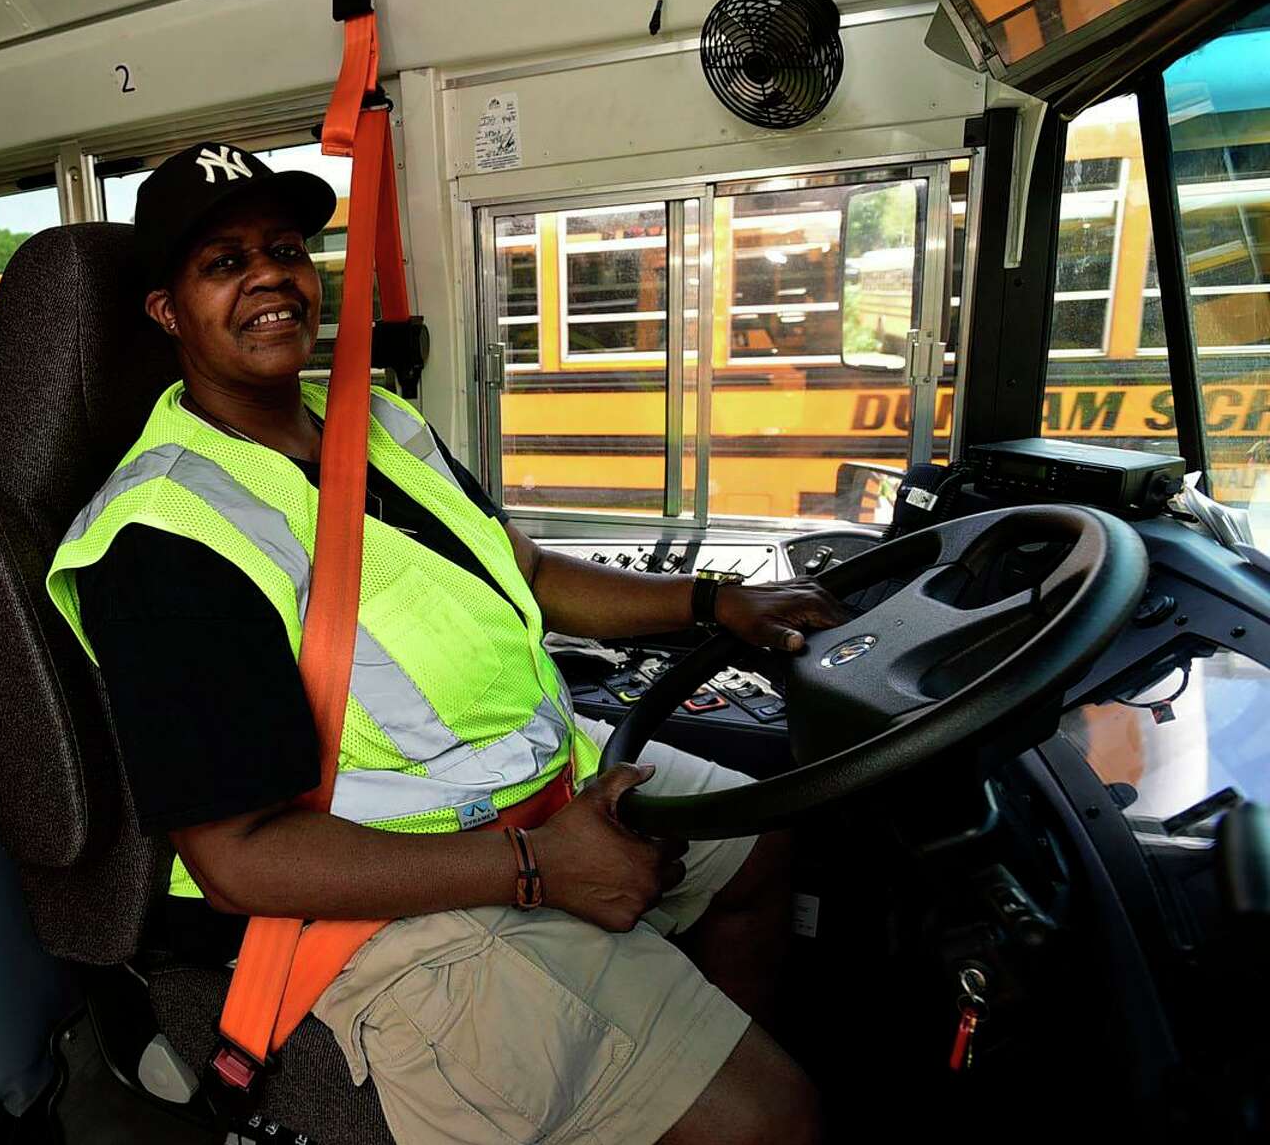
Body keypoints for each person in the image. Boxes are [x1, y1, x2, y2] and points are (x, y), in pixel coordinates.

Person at [45, 142, 847, 1144]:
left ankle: (675, 1081)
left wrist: (712, 604)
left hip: (548, 790)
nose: (269, 278)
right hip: (393, 894)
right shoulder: (164, 534)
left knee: (762, 840)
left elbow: (534, 576)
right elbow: (240, 862)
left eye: (284, 248)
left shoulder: (375, 420)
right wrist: (535, 868)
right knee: (777, 1119)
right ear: (168, 314)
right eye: (221, 262)